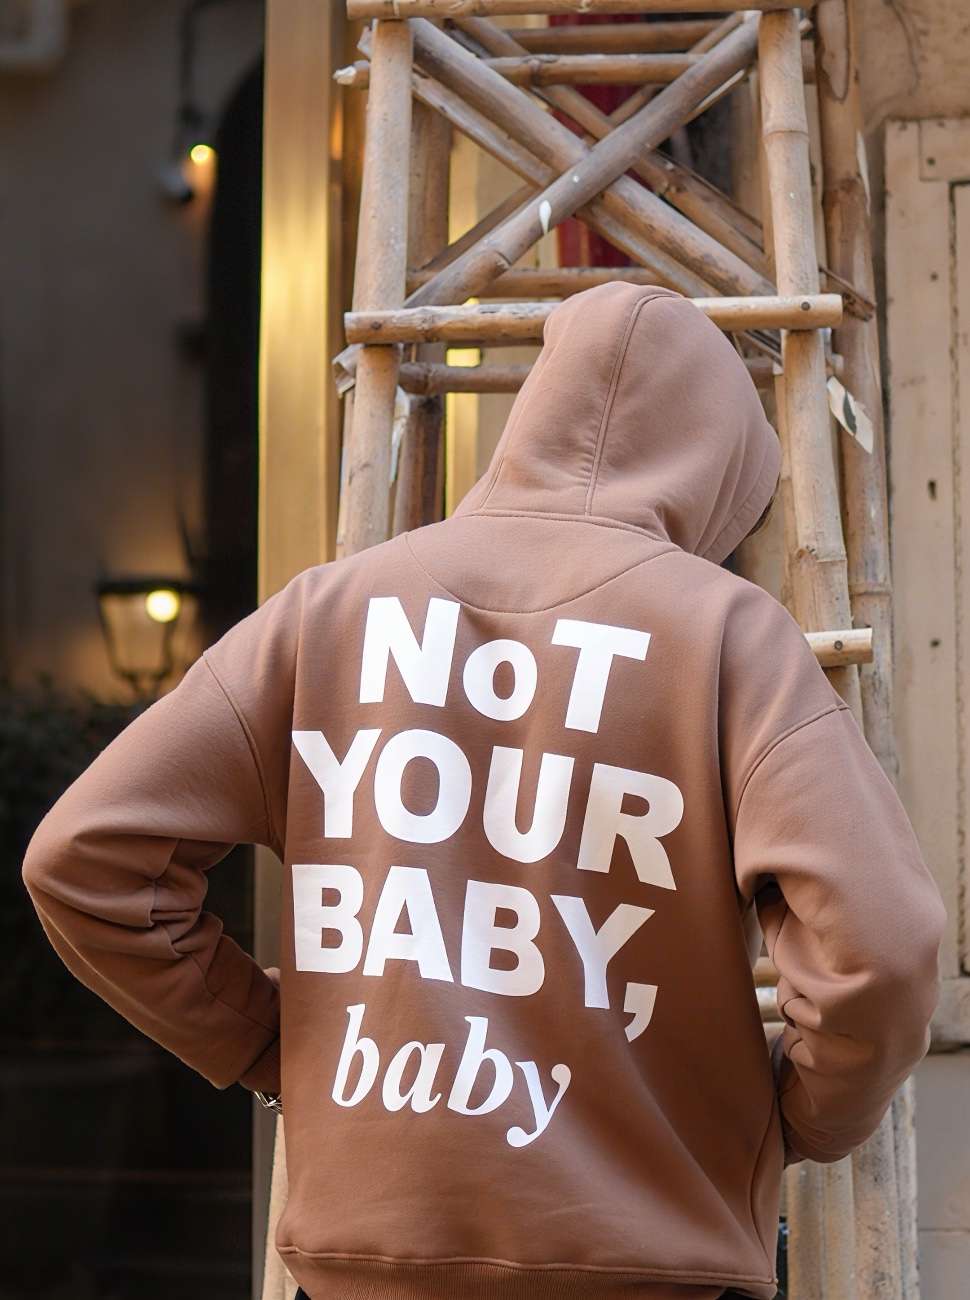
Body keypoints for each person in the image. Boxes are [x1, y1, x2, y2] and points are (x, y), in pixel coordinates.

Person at [22, 283, 945, 1300]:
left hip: (360, 1270)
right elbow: (881, 947)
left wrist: (266, 1041)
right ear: (717, 468)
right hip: (648, 1270)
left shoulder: (326, 612)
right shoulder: (725, 635)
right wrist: (799, 1115)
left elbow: (86, 860)